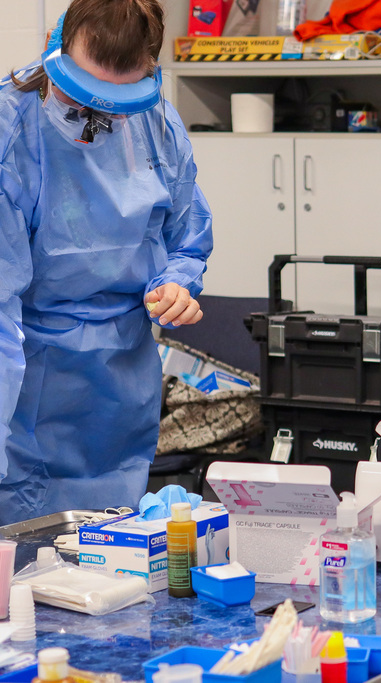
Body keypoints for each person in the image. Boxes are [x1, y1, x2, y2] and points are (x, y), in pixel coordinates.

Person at [0, 0, 213, 525]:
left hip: (121, 381)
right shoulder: (11, 135)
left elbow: (187, 236)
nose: (95, 119)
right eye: (81, 94)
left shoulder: (157, 122)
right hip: (27, 386)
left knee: (110, 558)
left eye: (118, 103)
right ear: (56, 48)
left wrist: (177, 285)